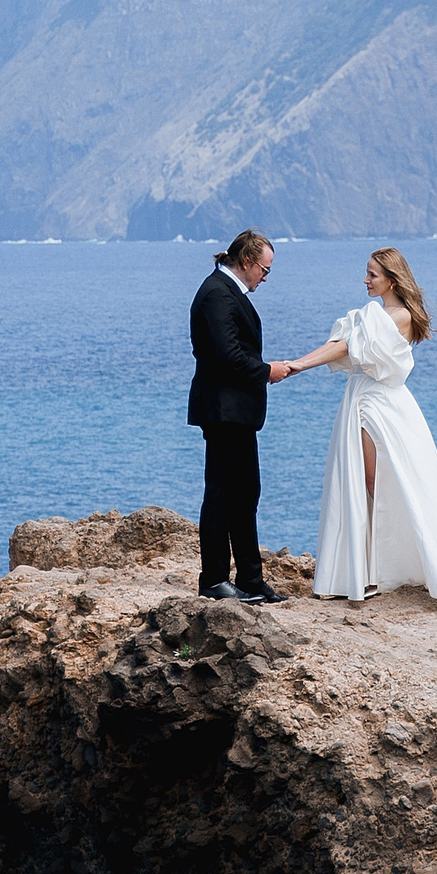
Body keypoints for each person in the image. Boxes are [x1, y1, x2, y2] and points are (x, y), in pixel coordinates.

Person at [275, 247, 437, 612]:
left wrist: (299, 366)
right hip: (364, 399)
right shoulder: (374, 316)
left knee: (378, 481)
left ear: (391, 280)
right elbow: (342, 342)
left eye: (372, 275)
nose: (365, 280)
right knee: (366, 481)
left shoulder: (397, 317)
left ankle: (383, 568)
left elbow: (349, 345)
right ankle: (363, 571)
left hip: (379, 404)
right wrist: (296, 363)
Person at [187, 229, 293, 603]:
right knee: (221, 494)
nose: (265, 277)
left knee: (245, 493)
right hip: (223, 410)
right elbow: (225, 355)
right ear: (246, 262)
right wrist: (268, 371)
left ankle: (250, 577)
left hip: (237, 412)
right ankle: (214, 578)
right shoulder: (217, 293)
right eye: (264, 270)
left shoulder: (229, 292)